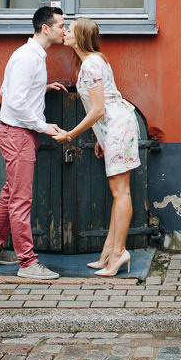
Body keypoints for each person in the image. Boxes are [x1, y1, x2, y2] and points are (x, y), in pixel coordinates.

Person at [0, 6, 68, 280]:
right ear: (46, 28)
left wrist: (41, 87)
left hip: (19, 133)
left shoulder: (33, 56)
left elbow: (10, 89)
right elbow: (14, 101)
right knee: (20, 200)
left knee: (10, 194)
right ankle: (28, 264)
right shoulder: (27, 58)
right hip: (18, 135)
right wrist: (43, 126)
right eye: (61, 25)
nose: (64, 30)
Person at [53, 17, 141, 277]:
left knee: (121, 192)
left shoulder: (91, 64)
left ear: (80, 37)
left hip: (117, 128)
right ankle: (109, 252)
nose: (65, 32)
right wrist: (100, 139)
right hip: (114, 129)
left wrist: (70, 134)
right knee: (118, 192)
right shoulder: (92, 61)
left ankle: (119, 252)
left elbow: (99, 109)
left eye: (70, 30)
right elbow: (102, 107)